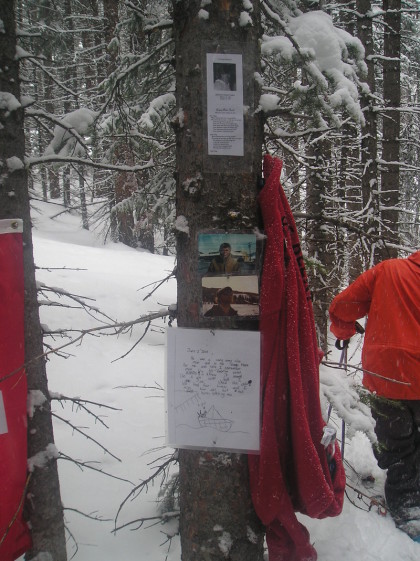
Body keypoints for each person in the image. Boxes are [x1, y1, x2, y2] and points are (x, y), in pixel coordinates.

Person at [329, 250, 420, 540]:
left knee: (398, 443)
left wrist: (343, 330)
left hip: (390, 373)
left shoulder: (389, 270)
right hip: (397, 373)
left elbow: (342, 306)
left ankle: (409, 507)